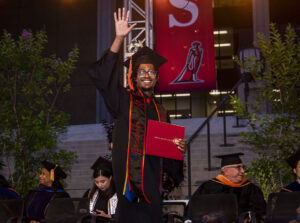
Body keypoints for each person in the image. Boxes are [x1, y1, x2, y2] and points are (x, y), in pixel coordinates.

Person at [88, 8, 186, 223]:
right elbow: (103, 78)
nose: (147, 75)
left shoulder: (162, 111)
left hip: (152, 178)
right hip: (128, 180)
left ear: (156, 76)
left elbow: (169, 151)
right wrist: (119, 38)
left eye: (151, 71)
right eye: (142, 71)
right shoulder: (123, 100)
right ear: (134, 76)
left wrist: (178, 147)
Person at [185, 153, 266, 223]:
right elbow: (194, 209)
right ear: (226, 170)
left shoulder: (251, 188)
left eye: (243, 167)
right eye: (238, 167)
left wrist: (248, 218)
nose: (242, 171)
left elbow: (261, 211)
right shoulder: (209, 187)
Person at [84, 156, 117, 222]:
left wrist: (107, 216)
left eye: (103, 181)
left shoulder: (118, 194)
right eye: (96, 182)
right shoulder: (92, 193)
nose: (100, 185)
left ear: (110, 178)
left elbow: (124, 215)